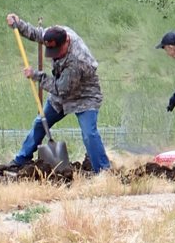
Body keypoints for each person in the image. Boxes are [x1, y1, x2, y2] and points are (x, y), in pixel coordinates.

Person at [7, 13, 111, 173]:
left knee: (89, 134)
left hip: (85, 96)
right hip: (60, 95)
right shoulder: (57, 33)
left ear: (67, 42)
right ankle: (21, 160)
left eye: (57, 50)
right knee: (40, 123)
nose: (54, 54)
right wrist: (18, 24)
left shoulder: (77, 60)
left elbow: (61, 89)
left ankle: (103, 171)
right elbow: (37, 34)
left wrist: (37, 76)